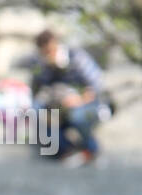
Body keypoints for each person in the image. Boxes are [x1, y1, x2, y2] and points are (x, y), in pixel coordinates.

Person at [31, 28, 104, 164]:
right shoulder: (41, 63)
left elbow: (96, 83)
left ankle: (91, 149)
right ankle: (65, 149)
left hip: (81, 103)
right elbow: (36, 90)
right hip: (55, 105)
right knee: (36, 111)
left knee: (77, 117)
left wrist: (80, 99)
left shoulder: (76, 57)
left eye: (50, 49)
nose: (49, 53)